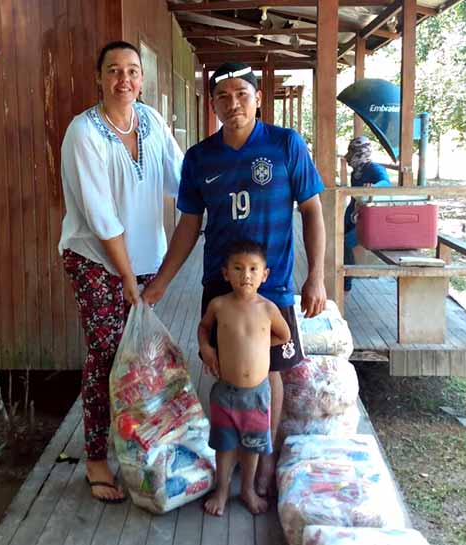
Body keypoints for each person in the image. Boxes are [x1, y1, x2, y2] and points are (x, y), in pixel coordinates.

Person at [142, 61, 327, 497]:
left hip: (273, 282)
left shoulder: (285, 145)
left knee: (272, 371)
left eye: (242, 93)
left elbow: (313, 210)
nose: (233, 103)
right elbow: (189, 225)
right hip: (220, 283)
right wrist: (163, 282)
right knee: (225, 370)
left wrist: (315, 276)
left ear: (258, 97)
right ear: (212, 104)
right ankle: (228, 457)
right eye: (222, 96)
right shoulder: (201, 157)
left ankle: (262, 463)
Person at [58, 40, 182, 503]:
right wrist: (128, 277)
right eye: (114, 70)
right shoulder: (83, 133)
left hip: (146, 263)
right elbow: (100, 214)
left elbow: (179, 176)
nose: (123, 79)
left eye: (132, 71)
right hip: (96, 261)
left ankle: (138, 449)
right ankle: (95, 459)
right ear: (99, 77)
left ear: (142, 80)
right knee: (107, 356)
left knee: (140, 359)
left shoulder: (150, 121)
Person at [199, 240, 291, 516]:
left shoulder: (268, 308)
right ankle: (222, 490)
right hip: (225, 391)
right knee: (224, 445)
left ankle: (248, 489)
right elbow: (204, 329)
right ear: (226, 273)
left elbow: (284, 335)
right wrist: (207, 348)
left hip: (258, 394)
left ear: (265, 275)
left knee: (252, 446)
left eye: (253, 269)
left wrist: (261, 346)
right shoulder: (218, 305)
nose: (246, 275)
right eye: (238, 268)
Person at [343, 135, 391, 291]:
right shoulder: (356, 172)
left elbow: (386, 183)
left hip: (370, 219)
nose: (349, 156)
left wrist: (375, 187)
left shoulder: (374, 168)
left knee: (344, 243)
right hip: (354, 213)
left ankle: (345, 283)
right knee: (335, 238)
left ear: (361, 153)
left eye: (352, 152)